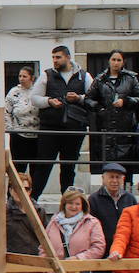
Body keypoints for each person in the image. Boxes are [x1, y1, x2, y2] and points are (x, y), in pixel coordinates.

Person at [29, 45, 99, 198]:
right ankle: (33, 200)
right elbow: (34, 98)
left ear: (68, 57)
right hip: (50, 128)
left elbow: (94, 99)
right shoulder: (46, 75)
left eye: (58, 57)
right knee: (43, 166)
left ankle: (66, 202)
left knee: (69, 167)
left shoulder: (84, 76)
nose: (55, 60)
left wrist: (79, 98)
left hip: (74, 128)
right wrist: (49, 101)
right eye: (53, 57)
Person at [93, 50, 139, 175]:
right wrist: (100, 109)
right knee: (108, 166)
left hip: (125, 127)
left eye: (119, 60)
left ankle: (127, 189)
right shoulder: (100, 79)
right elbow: (89, 99)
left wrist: (125, 101)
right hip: (106, 126)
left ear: (123, 62)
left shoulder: (131, 78)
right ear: (109, 61)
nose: (116, 63)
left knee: (126, 166)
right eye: (113, 60)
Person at [4, 66, 40, 174]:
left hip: (36, 136)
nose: (21, 78)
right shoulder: (14, 92)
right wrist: (10, 129)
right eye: (20, 76)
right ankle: (14, 190)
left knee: (35, 168)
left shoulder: (38, 91)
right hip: (18, 135)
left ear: (31, 78)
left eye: (25, 76)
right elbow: (6, 112)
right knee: (18, 167)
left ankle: (34, 190)